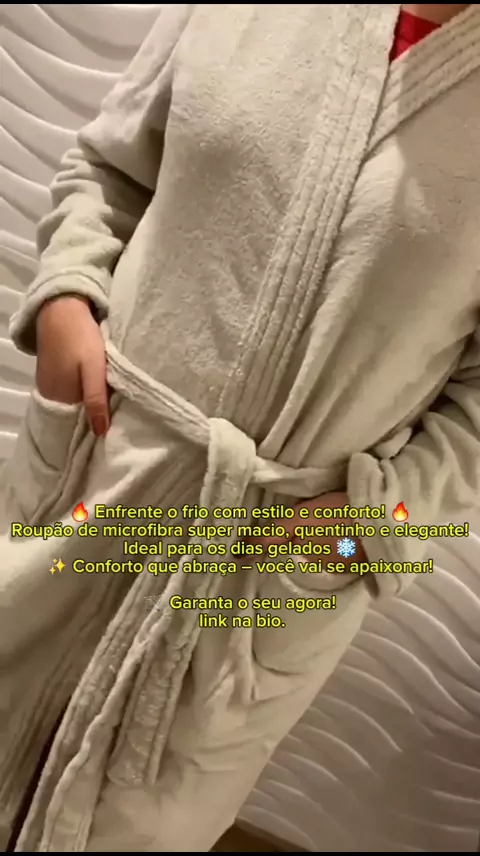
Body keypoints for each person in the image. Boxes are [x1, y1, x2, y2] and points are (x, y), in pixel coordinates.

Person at [1, 3, 479, 851]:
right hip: (98, 458)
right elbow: (111, 167)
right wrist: (68, 292)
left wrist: (370, 525)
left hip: (273, 560)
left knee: (138, 822)